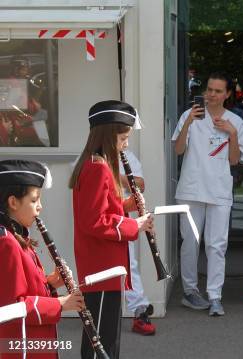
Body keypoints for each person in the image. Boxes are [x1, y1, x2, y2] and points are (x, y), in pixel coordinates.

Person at [69, 100, 154, 358]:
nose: (126, 144)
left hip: (103, 262)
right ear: (107, 135)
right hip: (101, 265)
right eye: (123, 138)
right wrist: (134, 225)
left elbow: (107, 208)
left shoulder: (99, 163)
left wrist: (129, 203)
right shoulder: (97, 167)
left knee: (105, 334)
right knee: (102, 340)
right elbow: (93, 221)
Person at [173, 71, 243, 316]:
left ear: (227, 94)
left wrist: (232, 134)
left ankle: (215, 296)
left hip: (219, 192)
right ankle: (190, 292)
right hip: (191, 190)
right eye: (209, 89)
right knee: (190, 244)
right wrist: (187, 124)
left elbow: (235, 160)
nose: (211, 95)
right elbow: (178, 149)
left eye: (217, 91)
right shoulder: (189, 115)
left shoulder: (236, 122)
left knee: (217, 245)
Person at [0, 160, 85, 359]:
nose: (40, 207)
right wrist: (61, 304)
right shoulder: (7, 242)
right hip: (21, 347)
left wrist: (51, 283)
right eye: (34, 200)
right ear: (13, 202)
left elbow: (24, 288)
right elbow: (12, 306)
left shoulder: (16, 236)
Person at [118, 150, 156, 335]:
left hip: (121, 216)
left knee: (128, 264)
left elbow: (140, 184)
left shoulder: (126, 155)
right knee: (99, 270)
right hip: (97, 218)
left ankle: (139, 309)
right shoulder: (89, 157)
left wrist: (117, 177)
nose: (125, 141)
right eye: (122, 136)